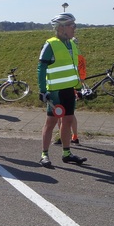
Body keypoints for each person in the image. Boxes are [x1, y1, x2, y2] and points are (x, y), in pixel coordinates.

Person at [37, 13, 87, 168]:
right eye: (72, 25)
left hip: (68, 89)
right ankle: (44, 154)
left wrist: (79, 88)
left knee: (68, 121)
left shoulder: (72, 44)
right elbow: (41, 68)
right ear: (62, 27)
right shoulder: (50, 44)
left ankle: (67, 153)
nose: (75, 28)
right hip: (55, 92)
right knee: (51, 122)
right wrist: (42, 90)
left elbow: (75, 67)